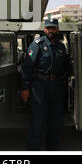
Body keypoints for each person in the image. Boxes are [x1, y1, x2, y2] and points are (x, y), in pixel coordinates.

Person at [20, 18, 68, 150]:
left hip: (56, 87)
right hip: (40, 87)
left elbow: (65, 66)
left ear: (57, 29)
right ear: (44, 29)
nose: (51, 30)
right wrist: (25, 88)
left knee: (55, 123)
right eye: (49, 28)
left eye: (54, 28)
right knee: (38, 123)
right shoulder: (37, 44)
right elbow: (26, 68)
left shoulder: (61, 46)